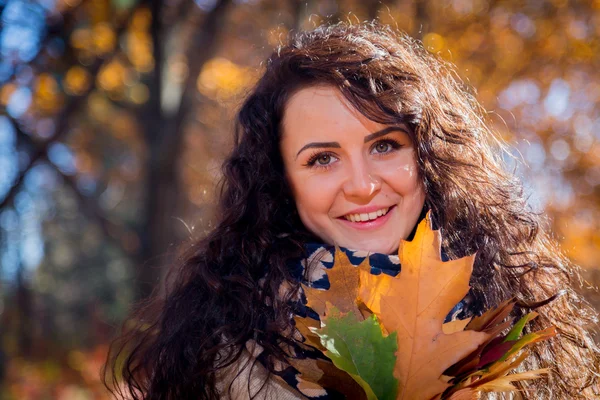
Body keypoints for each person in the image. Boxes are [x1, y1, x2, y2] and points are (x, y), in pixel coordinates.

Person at [104, 22, 600, 399]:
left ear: (427, 155)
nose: (362, 186)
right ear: (282, 183)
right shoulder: (228, 353)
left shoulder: (515, 322)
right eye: (322, 159)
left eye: (385, 146)